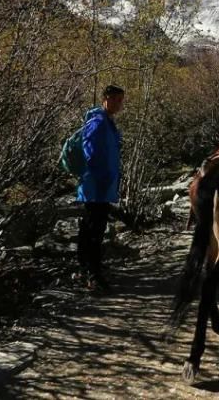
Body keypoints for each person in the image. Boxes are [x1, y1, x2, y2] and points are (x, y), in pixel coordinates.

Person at [77, 84, 125, 292]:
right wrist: (102, 177)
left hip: (103, 187)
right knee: (93, 231)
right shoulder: (97, 123)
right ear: (105, 98)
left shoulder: (108, 123)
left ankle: (89, 269)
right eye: (115, 99)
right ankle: (92, 274)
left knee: (94, 229)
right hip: (94, 187)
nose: (118, 104)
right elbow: (90, 153)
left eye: (121, 100)